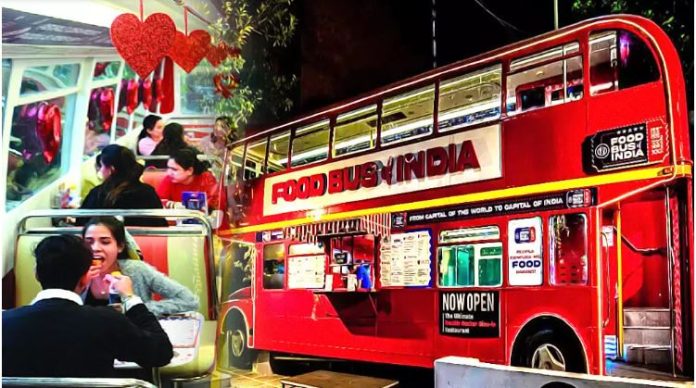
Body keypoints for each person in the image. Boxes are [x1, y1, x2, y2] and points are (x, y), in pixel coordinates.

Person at [2, 234, 173, 377]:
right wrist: (130, 298)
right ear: (85, 278)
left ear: (36, 274)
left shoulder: (5, 323)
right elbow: (160, 353)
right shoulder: (106, 321)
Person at [83, 216, 199, 316]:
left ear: (120, 246)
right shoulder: (77, 270)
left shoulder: (137, 270)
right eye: (89, 242)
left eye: (105, 242)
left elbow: (189, 301)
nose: (95, 248)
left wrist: (138, 308)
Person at [81, 144, 167, 227]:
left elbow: (81, 224)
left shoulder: (98, 194)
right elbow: (161, 224)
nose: (101, 170)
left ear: (111, 169)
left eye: (102, 166)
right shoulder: (148, 192)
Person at [156, 148, 222, 212]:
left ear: (190, 170)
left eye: (174, 169)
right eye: (168, 168)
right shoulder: (169, 179)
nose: (169, 173)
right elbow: (157, 202)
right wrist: (175, 205)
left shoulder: (206, 179)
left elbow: (214, 205)